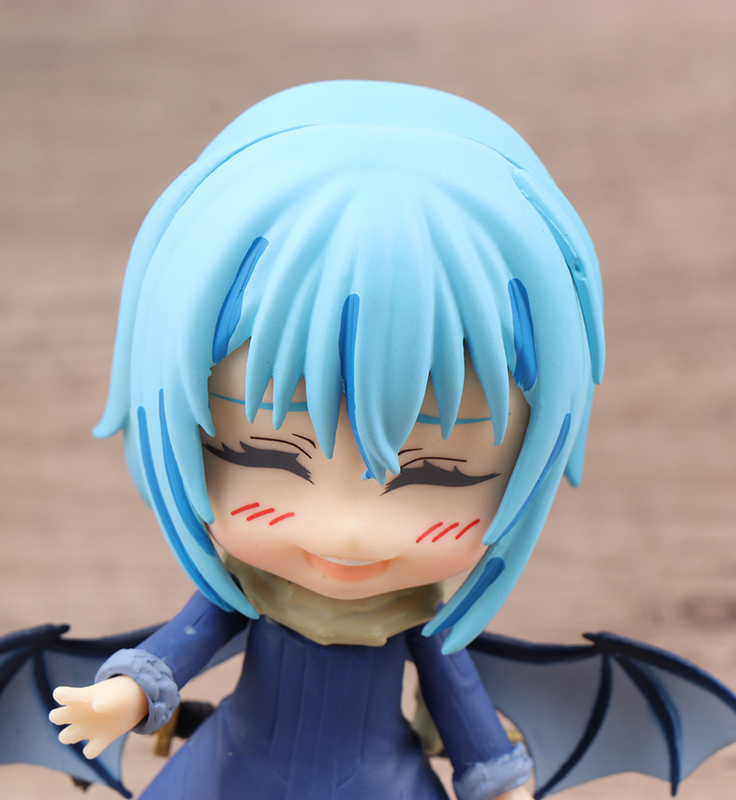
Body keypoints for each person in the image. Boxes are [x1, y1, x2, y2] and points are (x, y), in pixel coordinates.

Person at [48, 80, 604, 800]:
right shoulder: (244, 593)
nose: (348, 529)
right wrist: (117, 700)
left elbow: (472, 729)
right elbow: (175, 654)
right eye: (262, 454)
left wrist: (500, 785)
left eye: (440, 473)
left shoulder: (423, 624)